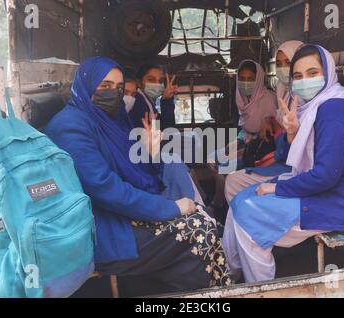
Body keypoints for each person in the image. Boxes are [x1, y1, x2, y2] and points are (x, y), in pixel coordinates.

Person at [44, 57, 232, 296]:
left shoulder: (108, 120)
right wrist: (171, 208)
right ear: (86, 84)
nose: (114, 93)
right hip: (100, 230)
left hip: (117, 215)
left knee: (202, 220)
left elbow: (133, 172)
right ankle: (214, 294)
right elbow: (106, 188)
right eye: (104, 85)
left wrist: (152, 154)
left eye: (118, 87)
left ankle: (215, 293)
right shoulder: (71, 126)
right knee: (200, 229)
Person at [222, 44, 344, 283]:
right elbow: (308, 159)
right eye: (298, 76)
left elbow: (326, 175)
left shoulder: (335, 111)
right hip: (325, 189)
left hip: (341, 201)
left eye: (313, 73)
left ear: (327, 72)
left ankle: (260, 287)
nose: (304, 81)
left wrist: (277, 188)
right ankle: (227, 274)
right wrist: (292, 134)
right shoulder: (316, 107)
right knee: (240, 200)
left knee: (250, 216)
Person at [224, 40, 304, 204]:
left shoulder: (272, 99)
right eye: (279, 63)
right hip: (274, 150)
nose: (283, 68)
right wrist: (239, 141)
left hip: (281, 157)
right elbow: (258, 127)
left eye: (288, 63)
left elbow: (275, 137)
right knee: (219, 162)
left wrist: (269, 152)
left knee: (229, 174)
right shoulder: (284, 90)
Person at [206, 60, 278, 222]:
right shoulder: (244, 99)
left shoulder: (266, 100)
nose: (246, 83)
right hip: (245, 141)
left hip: (260, 151)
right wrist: (235, 143)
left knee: (223, 168)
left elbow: (269, 139)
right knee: (211, 159)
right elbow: (246, 128)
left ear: (259, 79)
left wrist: (241, 151)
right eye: (242, 78)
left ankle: (219, 206)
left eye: (251, 79)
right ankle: (222, 198)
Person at [128, 63, 178, 130]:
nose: (157, 84)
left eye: (160, 81)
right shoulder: (137, 102)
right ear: (139, 82)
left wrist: (167, 100)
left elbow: (165, 128)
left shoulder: (148, 103)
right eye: (151, 80)